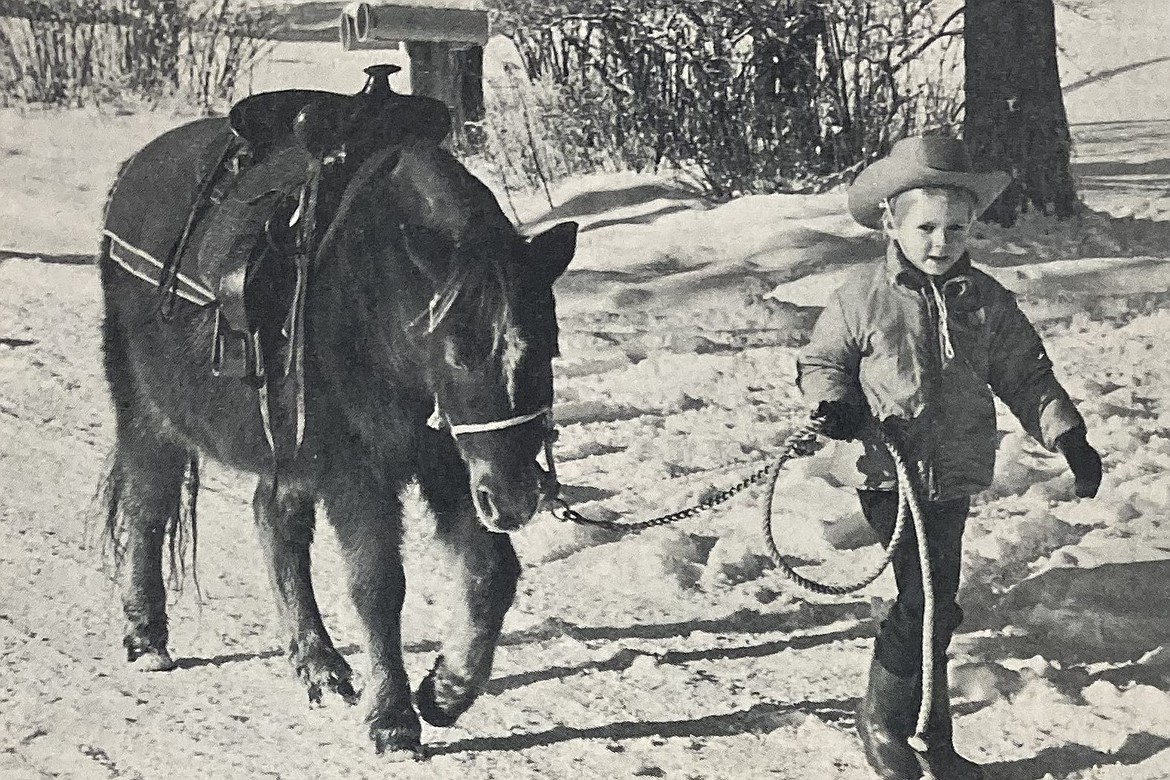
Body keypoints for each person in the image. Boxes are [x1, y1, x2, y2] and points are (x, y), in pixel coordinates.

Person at [796, 136, 1103, 780]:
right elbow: (825, 361)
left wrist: (1067, 435)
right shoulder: (862, 296)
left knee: (941, 600)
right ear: (892, 224)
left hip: (954, 475)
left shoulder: (983, 300)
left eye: (955, 229)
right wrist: (836, 407)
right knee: (922, 599)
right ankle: (883, 724)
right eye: (926, 228)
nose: (941, 242)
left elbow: (1026, 374)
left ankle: (934, 734)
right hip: (888, 475)